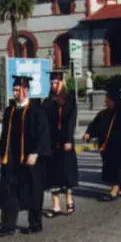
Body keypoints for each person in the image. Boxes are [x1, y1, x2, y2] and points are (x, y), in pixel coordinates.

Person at [0, 75, 51, 236]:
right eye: (14, 90)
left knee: (33, 189)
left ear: (26, 90)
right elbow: (5, 135)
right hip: (11, 158)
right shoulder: (9, 111)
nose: (15, 93)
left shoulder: (36, 111)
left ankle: (35, 223)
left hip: (30, 158)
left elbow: (43, 134)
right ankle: (8, 226)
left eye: (17, 90)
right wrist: (2, 154)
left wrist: (36, 153)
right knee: (9, 190)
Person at [42, 71, 79, 215]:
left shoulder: (70, 100)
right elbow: (44, 122)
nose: (54, 86)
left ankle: (70, 200)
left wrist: (69, 139)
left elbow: (71, 121)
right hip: (52, 142)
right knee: (53, 174)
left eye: (56, 83)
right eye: (51, 83)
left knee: (66, 172)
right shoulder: (48, 101)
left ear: (62, 82)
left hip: (65, 141)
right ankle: (56, 206)